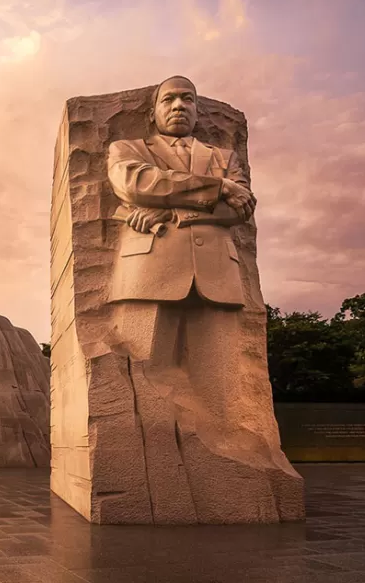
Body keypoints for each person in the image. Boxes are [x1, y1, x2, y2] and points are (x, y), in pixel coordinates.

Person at [105, 75, 265, 523]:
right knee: (142, 377)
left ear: (198, 110)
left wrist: (172, 209)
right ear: (154, 110)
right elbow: (135, 183)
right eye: (169, 99)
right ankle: (151, 476)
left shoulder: (225, 156)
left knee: (222, 387)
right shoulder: (127, 149)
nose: (179, 105)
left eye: (187, 98)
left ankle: (226, 474)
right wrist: (213, 190)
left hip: (217, 275)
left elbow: (240, 210)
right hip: (149, 270)